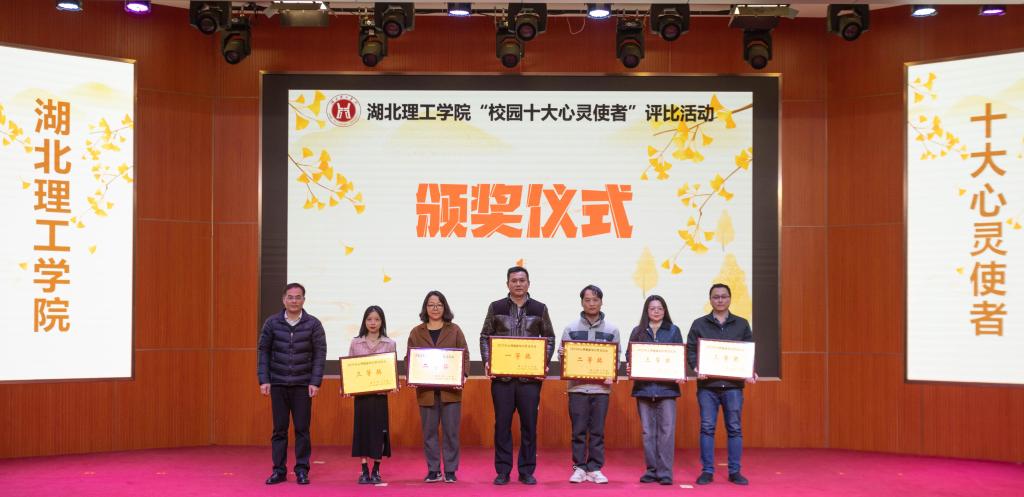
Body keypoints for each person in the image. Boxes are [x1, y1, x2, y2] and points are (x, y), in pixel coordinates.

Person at [479, 266, 555, 486]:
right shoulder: (496, 307)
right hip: (502, 379)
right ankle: (503, 470)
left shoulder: (539, 308)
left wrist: (542, 363)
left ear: (528, 283)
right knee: (502, 425)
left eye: (522, 280)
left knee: (529, 426)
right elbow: (485, 336)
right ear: (508, 284)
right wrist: (487, 360)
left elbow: (549, 338)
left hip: (529, 380)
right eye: (514, 280)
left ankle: (526, 470)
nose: (518, 284)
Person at [257, 283, 327, 485]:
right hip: (278, 384)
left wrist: (315, 382)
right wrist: (264, 379)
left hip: (302, 385)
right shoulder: (272, 323)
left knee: (302, 430)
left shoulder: (314, 324)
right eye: (290, 297)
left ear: (304, 300)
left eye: (298, 297)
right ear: (283, 299)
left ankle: (302, 470)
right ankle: (279, 470)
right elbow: (263, 352)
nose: (294, 301)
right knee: (279, 430)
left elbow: (320, 355)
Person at [687, 283, 756, 486]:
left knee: (734, 428)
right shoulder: (699, 324)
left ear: (730, 299)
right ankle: (707, 471)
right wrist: (696, 367)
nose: (720, 300)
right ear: (710, 300)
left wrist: (750, 370)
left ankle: (735, 471)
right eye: (716, 297)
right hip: (707, 387)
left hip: (733, 387)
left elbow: (748, 351)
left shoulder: (742, 324)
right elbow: (691, 350)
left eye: (723, 296)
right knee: (707, 428)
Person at [407, 290, 470, 483]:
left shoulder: (455, 329)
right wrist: (412, 371)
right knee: (429, 433)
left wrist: (463, 375)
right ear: (425, 308)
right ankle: (433, 470)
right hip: (426, 391)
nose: (435, 308)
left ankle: (450, 470)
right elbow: (409, 358)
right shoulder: (416, 332)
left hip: (450, 391)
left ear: (445, 307)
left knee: (451, 432)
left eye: (439, 304)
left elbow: (465, 355)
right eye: (431, 305)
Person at [560, 284, 620, 484]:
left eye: (595, 300)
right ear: (582, 302)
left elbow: (616, 358)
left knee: (597, 431)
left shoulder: (612, 329)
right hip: (577, 388)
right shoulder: (570, 328)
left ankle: (594, 468)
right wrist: (563, 355)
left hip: (601, 390)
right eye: (587, 300)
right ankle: (579, 467)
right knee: (578, 431)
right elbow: (563, 358)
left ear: (601, 302)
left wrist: (612, 373)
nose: (591, 303)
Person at [627, 295, 685, 486]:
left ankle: (665, 472)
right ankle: (651, 470)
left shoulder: (673, 330)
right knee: (647, 432)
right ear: (647, 311)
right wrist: (630, 366)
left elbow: (680, 356)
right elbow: (629, 355)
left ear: (665, 310)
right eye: (652, 308)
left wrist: (680, 372)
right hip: (644, 389)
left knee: (667, 432)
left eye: (660, 308)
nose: (657, 311)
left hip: (667, 390)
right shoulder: (637, 331)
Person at [347, 305, 397, 484]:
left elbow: (392, 370)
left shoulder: (390, 343)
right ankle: (364, 470)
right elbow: (349, 369)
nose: (373, 323)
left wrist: (394, 383)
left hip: (380, 397)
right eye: (369, 319)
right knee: (362, 431)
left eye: (376, 319)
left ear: (382, 322)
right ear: (364, 321)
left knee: (379, 433)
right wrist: (347, 386)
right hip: (362, 397)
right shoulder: (356, 343)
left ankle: (376, 470)